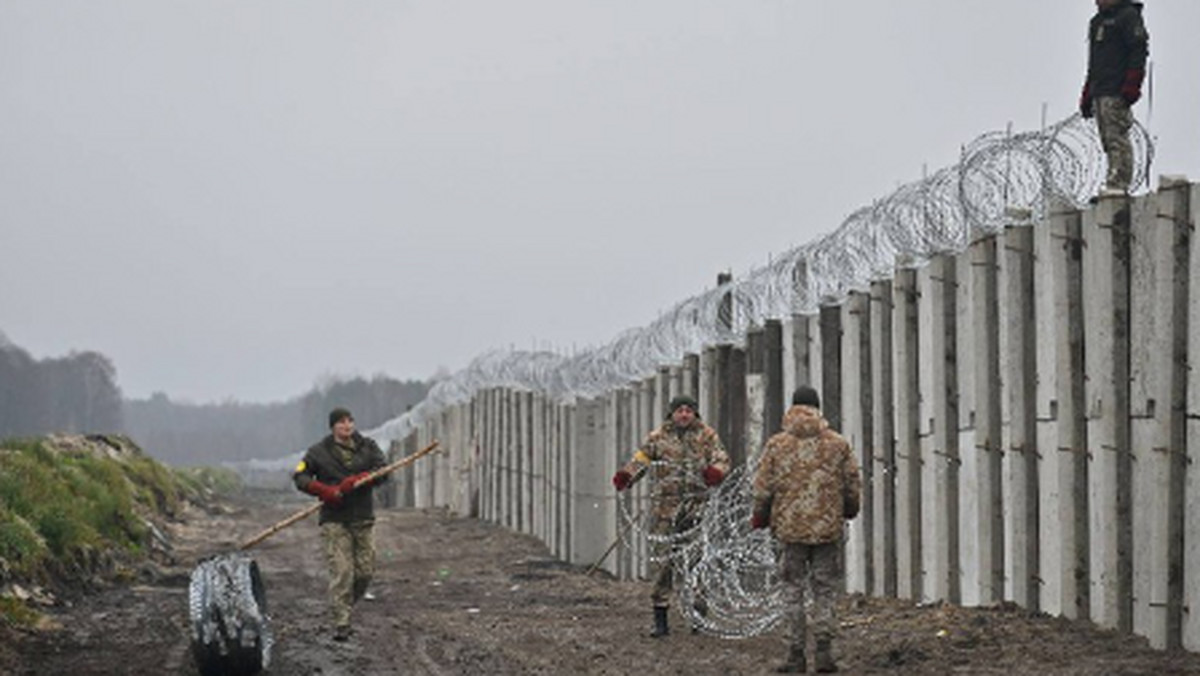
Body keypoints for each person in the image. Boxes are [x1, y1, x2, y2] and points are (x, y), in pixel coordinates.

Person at [751, 386, 861, 673]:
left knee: (792, 590)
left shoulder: (777, 445)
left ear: (793, 407)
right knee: (824, 590)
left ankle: (794, 655)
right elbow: (852, 483)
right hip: (827, 529)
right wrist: (849, 509)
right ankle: (824, 653)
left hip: (789, 531)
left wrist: (760, 517)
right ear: (817, 407)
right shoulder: (838, 443)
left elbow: (763, 488)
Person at [612, 394, 730, 638]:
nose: (684, 414)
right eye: (680, 410)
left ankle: (698, 616)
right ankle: (661, 619)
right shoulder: (657, 438)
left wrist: (716, 472)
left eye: (688, 410)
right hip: (665, 512)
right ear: (672, 413)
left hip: (696, 509)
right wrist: (627, 476)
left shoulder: (707, 436)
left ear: (695, 413)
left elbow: (721, 458)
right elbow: (641, 461)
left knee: (697, 562)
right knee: (663, 564)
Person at [293, 407, 389, 641]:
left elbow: (383, 471)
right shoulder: (318, 452)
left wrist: (360, 479)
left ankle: (345, 603)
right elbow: (300, 476)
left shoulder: (368, 447)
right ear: (333, 427)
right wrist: (322, 490)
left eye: (350, 421)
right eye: (341, 422)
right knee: (342, 571)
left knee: (364, 572)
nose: (347, 426)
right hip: (334, 520)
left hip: (362, 518)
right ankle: (341, 621)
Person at [1079, 0, 1149, 198]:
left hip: (1117, 90)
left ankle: (1119, 183)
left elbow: (1138, 50)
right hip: (1100, 89)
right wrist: (1088, 91)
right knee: (1107, 140)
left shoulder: (1127, 16)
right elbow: (1094, 61)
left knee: (1116, 137)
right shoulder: (1097, 22)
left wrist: (1132, 84)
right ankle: (1112, 177)